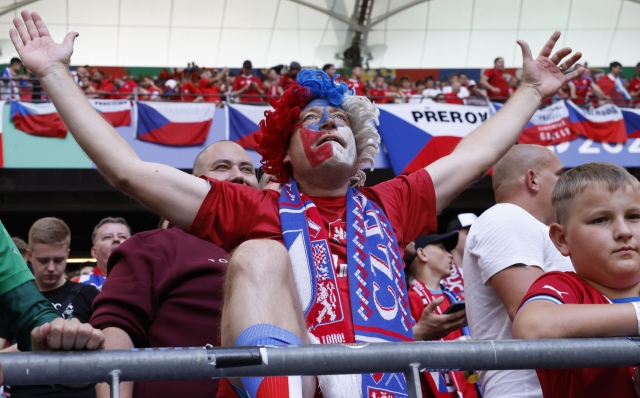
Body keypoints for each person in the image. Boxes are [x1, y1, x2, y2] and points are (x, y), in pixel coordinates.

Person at [9, 13, 584, 397]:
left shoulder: (395, 201)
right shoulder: (256, 208)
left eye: (338, 118)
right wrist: (55, 74)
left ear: (361, 147)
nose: (327, 123)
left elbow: (474, 151)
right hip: (295, 380)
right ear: (284, 152)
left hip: (386, 382)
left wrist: (531, 91)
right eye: (310, 118)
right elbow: (129, 170)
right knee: (258, 254)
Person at [92, 140, 259, 398]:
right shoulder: (155, 245)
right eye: (222, 166)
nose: (238, 176)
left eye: (248, 169)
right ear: (194, 183)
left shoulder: (282, 245)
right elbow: (116, 329)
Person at [513, 162, 640, 398]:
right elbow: (532, 327)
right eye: (601, 219)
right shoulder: (565, 287)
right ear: (562, 239)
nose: (624, 231)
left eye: (634, 216)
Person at [464, 145, 575, 398]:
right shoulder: (507, 217)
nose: (568, 186)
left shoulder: (531, 226)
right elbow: (535, 318)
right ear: (532, 179)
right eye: (560, 175)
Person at [0, 220, 105, 386]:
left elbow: (108, 351)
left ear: (67, 255)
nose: (51, 267)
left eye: (58, 260)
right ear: (29, 256)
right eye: (43, 260)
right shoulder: (9, 300)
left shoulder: (88, 294)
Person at [407, 233, 477, 398]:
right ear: (422, 254)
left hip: (471, 387)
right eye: (442, 248)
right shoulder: (409, 300)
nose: (450, 254)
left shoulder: (457, 299)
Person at [78, 217, 131, 290]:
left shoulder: (147, 282)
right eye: (107, 237)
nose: (116, 239)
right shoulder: (78, 286)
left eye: (122, 237)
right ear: (94, 252)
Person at [441, 213, 477, 298]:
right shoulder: (440, 273)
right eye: (469, 233)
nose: (476, 237)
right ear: (454, 238)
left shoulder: (485, 271)